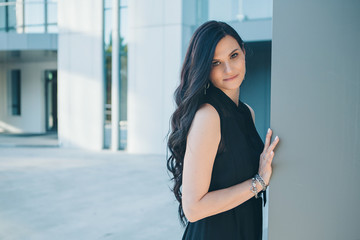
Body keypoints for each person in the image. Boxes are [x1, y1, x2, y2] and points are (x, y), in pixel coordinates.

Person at [167, 20, 280, 240]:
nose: (228, 69)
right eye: (215, 62)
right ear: (204, 69)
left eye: (234, 56)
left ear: (244, 52)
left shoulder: (247, 112)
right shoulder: (208, 116)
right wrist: (258, 182)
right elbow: (193, 208)